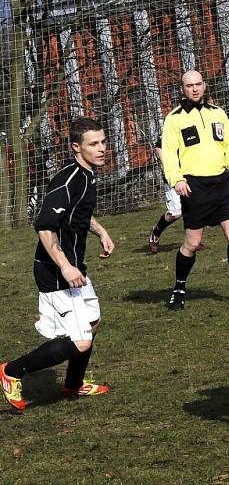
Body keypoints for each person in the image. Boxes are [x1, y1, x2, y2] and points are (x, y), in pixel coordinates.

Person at [1, 117, 113, 412]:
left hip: (74, 265)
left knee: (92, 324)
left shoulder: (87, 174)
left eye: (103, 141)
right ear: (76, 147)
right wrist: (64, 266)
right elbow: (44, 225)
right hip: (55, 269)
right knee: (80, 342)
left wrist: (101, 232)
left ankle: (72, 387)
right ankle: (11, 371)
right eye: (94, 144)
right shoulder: (67, 180)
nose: (101, 148)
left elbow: (78, 214)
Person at [160, 69, 229, 310]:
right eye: (189, 86)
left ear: (204, 86)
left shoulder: (219, 114)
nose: (194, 89)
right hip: (194, 187)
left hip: (222, 184)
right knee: (192, 243)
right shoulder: (174, 119)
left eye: (198, 84)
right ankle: (179, 288)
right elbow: (170, 156)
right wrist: (177, 180)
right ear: (182, 89)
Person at [147, 136, 206, 254]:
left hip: (190, 173)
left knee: (195, 207)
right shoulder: (172, 125)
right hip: (173, 177)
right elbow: (159, 146)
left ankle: (193, 240)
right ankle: (156, 231)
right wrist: (168, 167)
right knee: (175, 213)